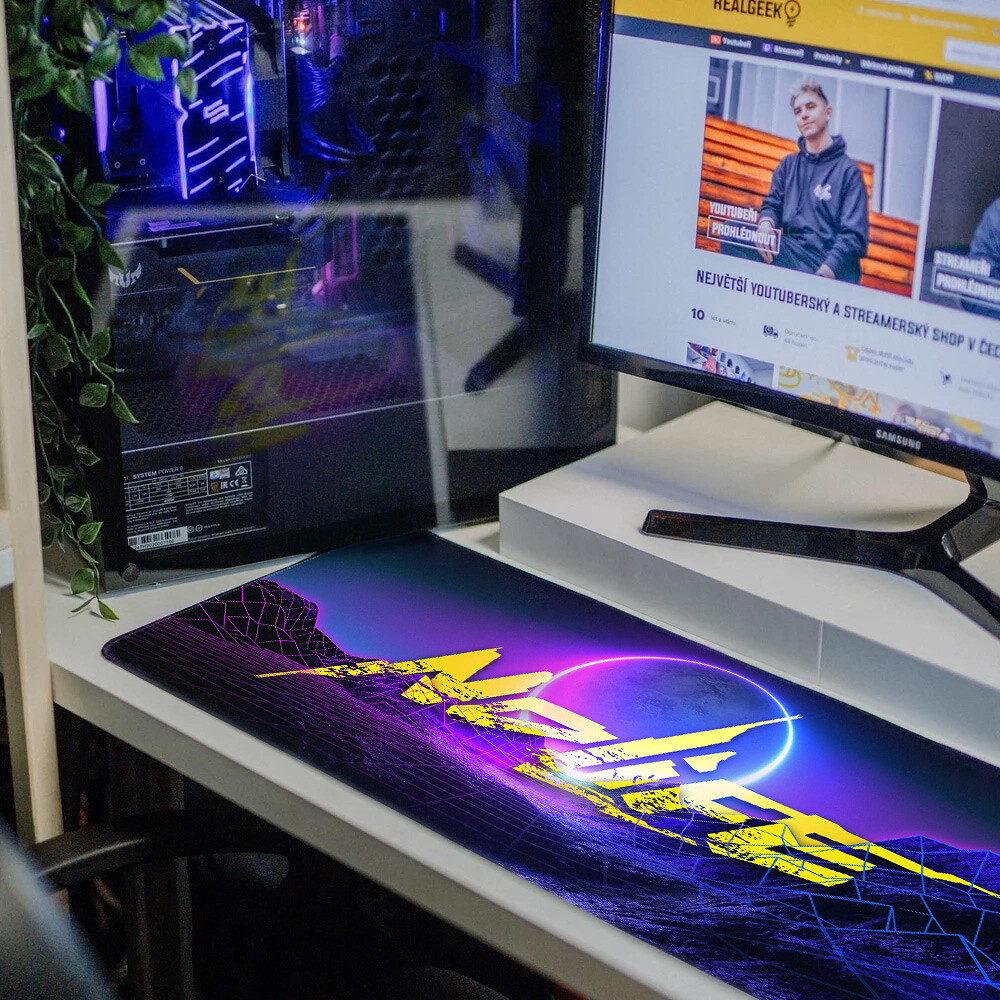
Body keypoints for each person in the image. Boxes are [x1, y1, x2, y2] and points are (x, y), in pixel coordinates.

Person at [754, 80, 869, 283]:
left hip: (826, 264)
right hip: (791, 254)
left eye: (810, 107)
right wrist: (765, 224)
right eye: (798, 111)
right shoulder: (788, 165)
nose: (804, 115)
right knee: (735, 234)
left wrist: (824, 274)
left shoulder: (848, 172)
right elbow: (772, 205)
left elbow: (853, 236)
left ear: (828, 112)